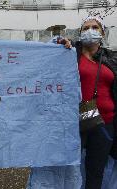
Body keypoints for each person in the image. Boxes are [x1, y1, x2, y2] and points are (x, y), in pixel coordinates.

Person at [27, 16, 117, 189]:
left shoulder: (110, 59)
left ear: (102, 33)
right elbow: (48, 58)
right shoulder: (69, 53)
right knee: (67, 166)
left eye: (95, 27)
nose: (90, 31)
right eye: (86, 28)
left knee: (96, 170)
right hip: (74, 121)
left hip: (106, 123)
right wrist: (59, 43)